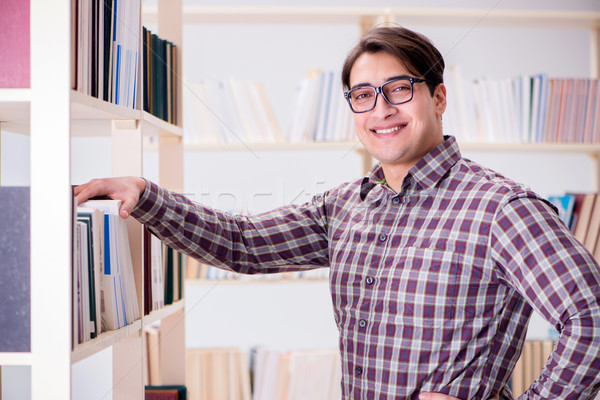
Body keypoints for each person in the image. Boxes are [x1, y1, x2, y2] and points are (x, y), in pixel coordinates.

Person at [75, 27, 600, 399]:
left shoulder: (501, 209)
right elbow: (241, 243)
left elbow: (591, 318)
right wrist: (145, 195)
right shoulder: (347, 204)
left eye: (400, 89)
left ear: (439, 98)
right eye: (363, 95)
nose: (382, 110)